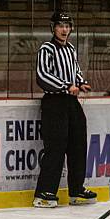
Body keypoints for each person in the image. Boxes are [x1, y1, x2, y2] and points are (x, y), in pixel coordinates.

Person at [33, 11, 96, 208]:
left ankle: (76, 190)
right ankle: (44, 192)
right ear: (53, 28)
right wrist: (66, 86)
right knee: (56, 147)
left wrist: (81, 82)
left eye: (67, 26)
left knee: (78, 145)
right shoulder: (46, 49)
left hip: (71, 102)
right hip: (54, 102)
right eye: (60, 25)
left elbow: (75, 70)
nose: (64, 29)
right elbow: (42, 75)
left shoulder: (70, 49)